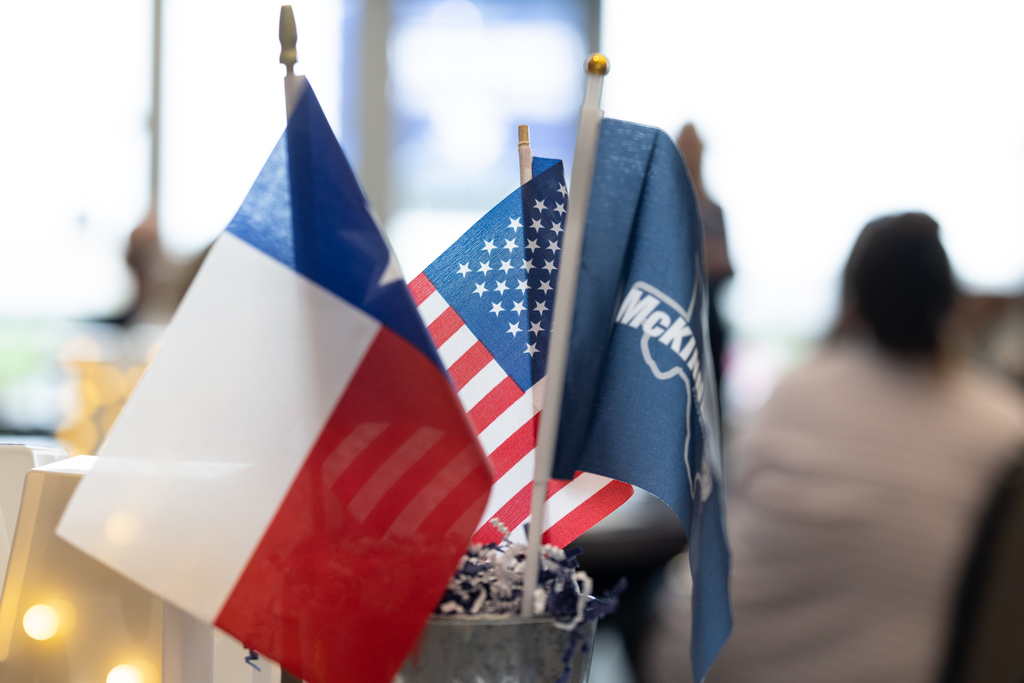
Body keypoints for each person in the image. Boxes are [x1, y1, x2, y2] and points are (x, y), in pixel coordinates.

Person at [641, 212, 1024, 683]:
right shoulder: (1004, 429)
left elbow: (719, 527)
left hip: (719, 662)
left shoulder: (796, 393)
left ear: (854, 299)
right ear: (951, 301)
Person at [677, 124, 732, 393]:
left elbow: (728, 267)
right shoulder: (669, 207)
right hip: (674, 317)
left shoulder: (715, 211)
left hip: (709, 320)